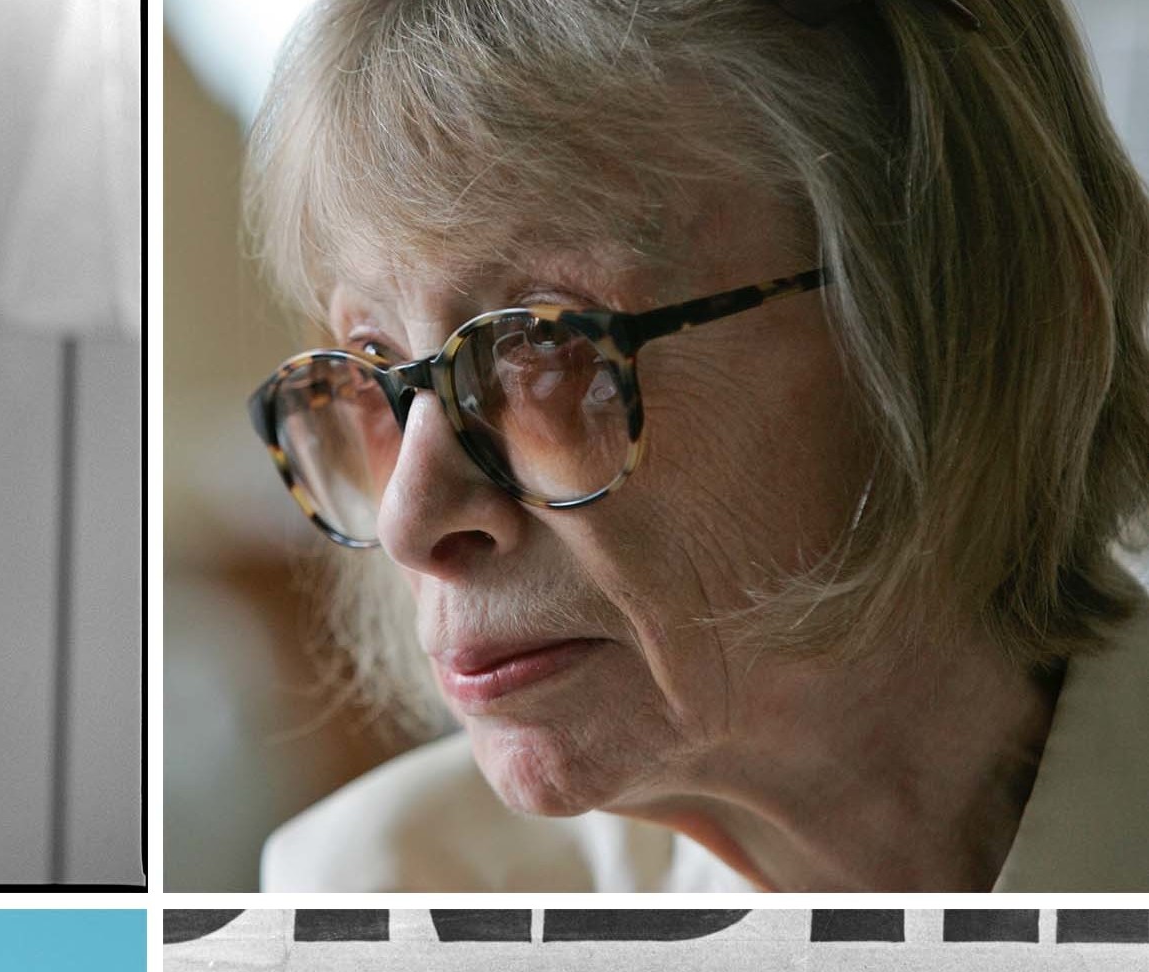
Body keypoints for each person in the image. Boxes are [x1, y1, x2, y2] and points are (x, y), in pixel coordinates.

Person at [241, 0, 1149, 892]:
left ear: (969, 328)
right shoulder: (388, 900)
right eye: (375, 374)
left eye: (542, 347)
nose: (411, 518)